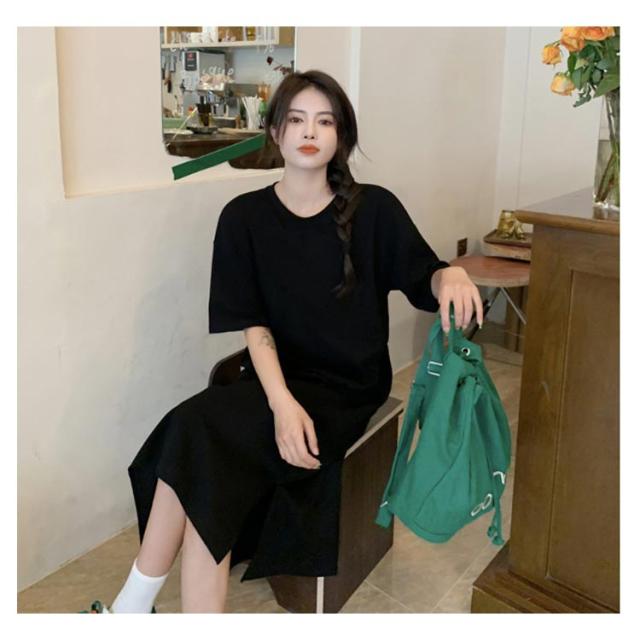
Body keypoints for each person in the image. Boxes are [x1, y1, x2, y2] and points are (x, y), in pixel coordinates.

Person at [80, 69, 483, 614]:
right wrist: (282, 404)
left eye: (324, 121)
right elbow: (255, 325)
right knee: (199, 447)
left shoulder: (374, 209)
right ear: (275, 132)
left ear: (341, 135)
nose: (309, 131)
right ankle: (137, 608)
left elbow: (423, 276)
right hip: (275, 378)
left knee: (198, 441)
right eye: (296, 120)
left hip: (346, 387)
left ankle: (131, 607)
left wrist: (450, 275)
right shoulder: (243, 218)